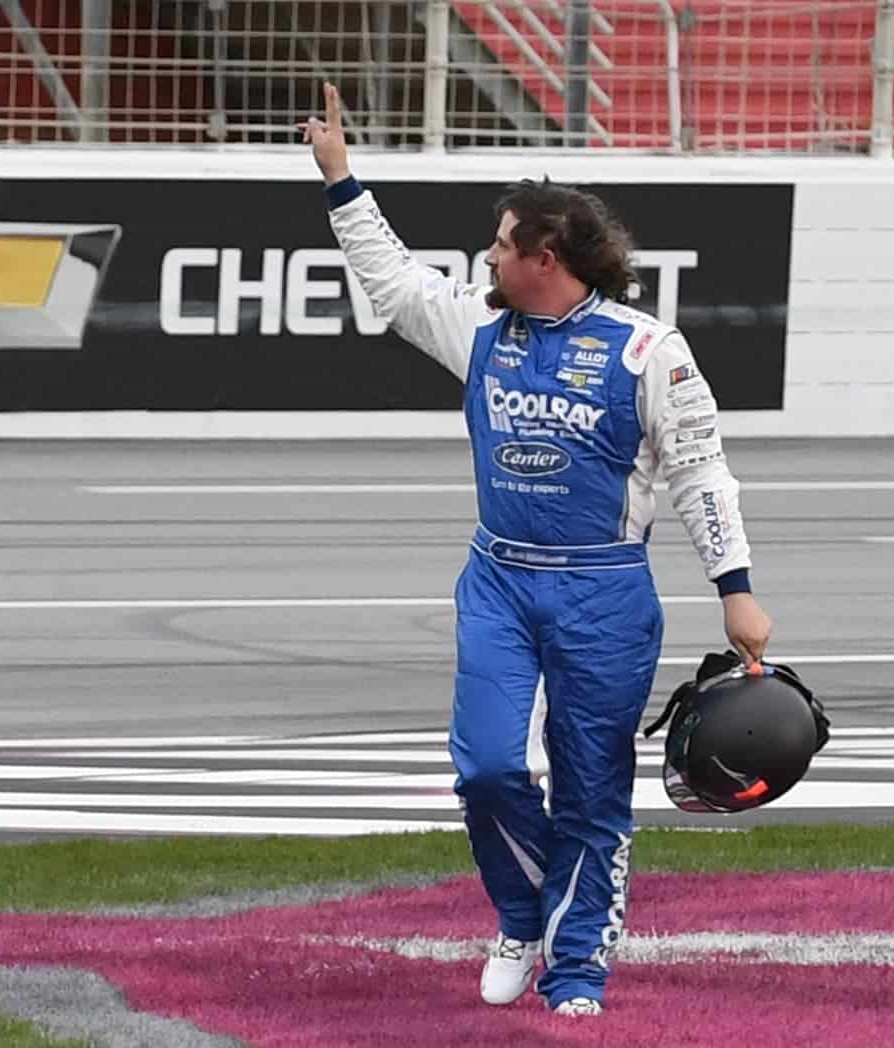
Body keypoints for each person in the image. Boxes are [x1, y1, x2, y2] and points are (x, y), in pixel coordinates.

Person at [301, 82, 773, 1017]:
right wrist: (341, 179)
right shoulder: (480, 327)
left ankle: (577, 971)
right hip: (500, 580)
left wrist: (737, 588)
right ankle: (523, 915)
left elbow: (701, 473)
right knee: (486, 767)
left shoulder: (650, 351)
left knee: (593, 789)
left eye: (500, 241)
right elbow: (394, 285)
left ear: (543, 258)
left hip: (606, 593)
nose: (486, 253)